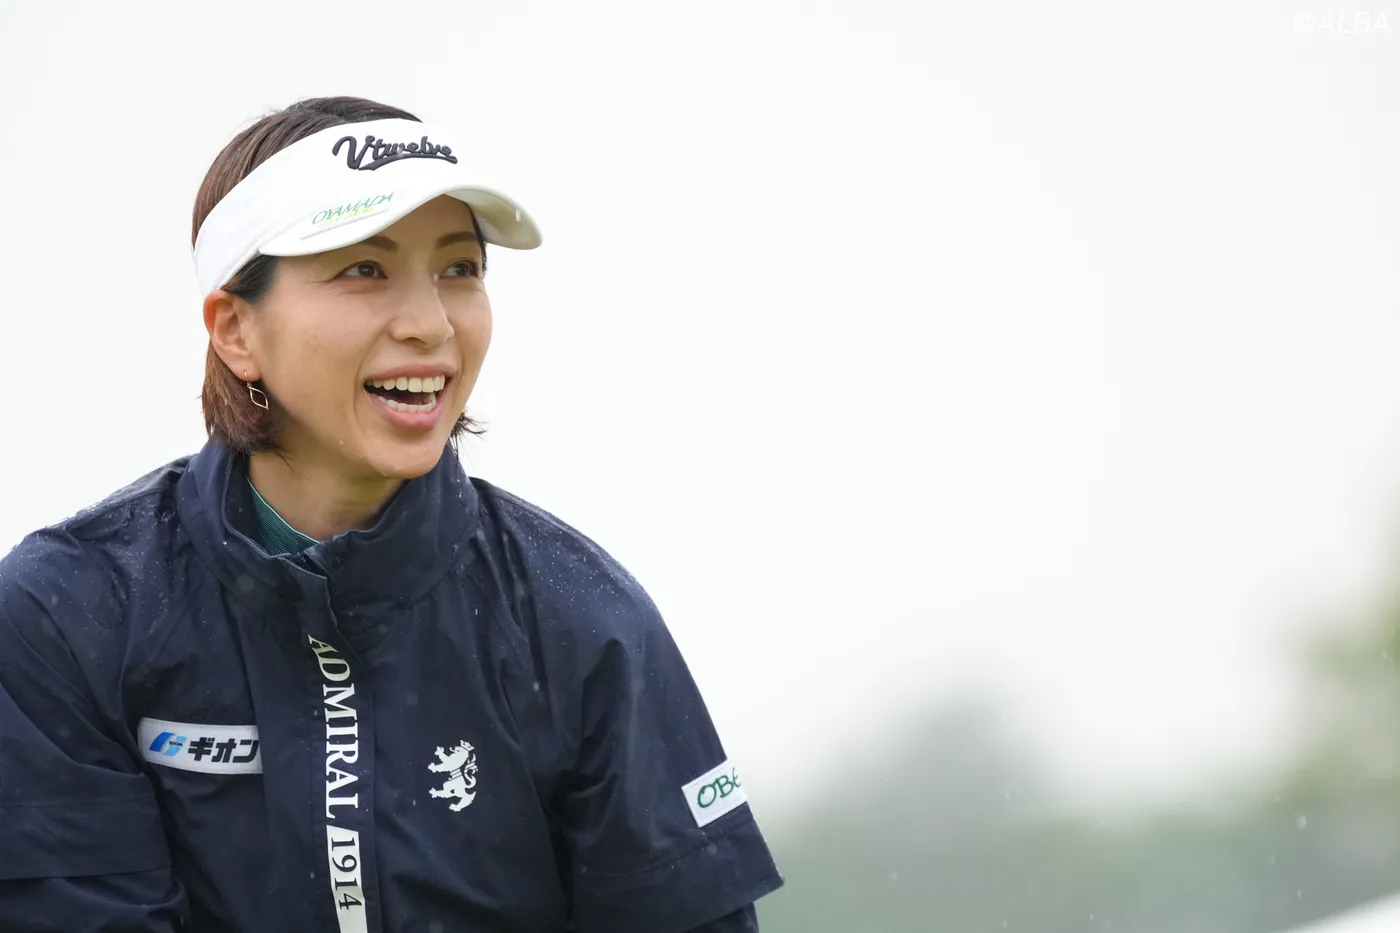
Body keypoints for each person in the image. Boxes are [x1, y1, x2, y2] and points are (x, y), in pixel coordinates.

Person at [0, 96, 783, 933]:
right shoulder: (68, 615)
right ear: (235, 329)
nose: (431, 324)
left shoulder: (583, 620)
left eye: (459, 268)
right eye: (364, 269)